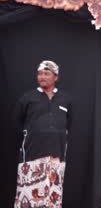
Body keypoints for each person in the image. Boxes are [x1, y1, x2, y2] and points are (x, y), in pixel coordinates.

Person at [14, 60, 72, 207]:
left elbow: (69, 123)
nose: (42, 77)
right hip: (32, 155)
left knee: (53, 195)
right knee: (28, 195)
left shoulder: (65, 99)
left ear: (56, 77)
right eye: (39, 74)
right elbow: (17, 122)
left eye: (47, 73)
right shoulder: (28, 98)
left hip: (56, 156)